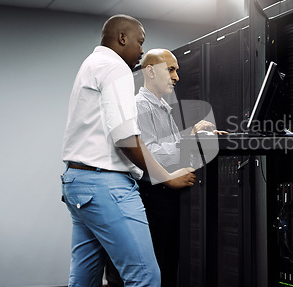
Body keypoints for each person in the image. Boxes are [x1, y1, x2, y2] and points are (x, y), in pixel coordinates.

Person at [61, 16, 196, 287]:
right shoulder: (115, 67)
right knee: (145, 277)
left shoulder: (90, 64)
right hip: (106, 184)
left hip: (76, 181)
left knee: (84, 279)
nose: (142, 50)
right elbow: (125, 136)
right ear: (122, 38)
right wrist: (166, 178)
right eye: (140, 42)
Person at [105, 49, 225, 287]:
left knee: (168, 265)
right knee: (156, 266)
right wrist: (189, 138)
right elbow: (149, 154)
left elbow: (166, 149)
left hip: (164, 196)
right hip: (151, 196)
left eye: (176, 70)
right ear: (150, 71)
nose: (176, 77)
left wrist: (195, 137)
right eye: (170, 69)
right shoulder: (140, 106)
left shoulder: (161, 106)